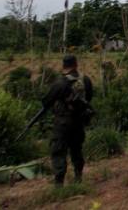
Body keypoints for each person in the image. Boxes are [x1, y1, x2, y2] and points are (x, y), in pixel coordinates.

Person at [41, 54, 93, 186]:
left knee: (58, 151)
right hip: (79, 122)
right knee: (76, 149)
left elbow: (46, 102)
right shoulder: (85, 80)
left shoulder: (59, 83)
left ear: (63, 66)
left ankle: (59, 183)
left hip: (62, 123)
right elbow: (89, 97)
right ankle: (78, 177)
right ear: (76, 64)